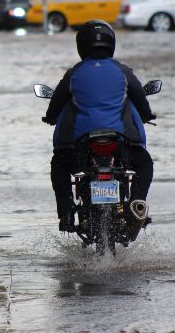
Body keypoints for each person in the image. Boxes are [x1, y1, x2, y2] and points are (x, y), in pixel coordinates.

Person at [42, 20, 156, 232]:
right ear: (111, 43)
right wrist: (147, 115)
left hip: (81, 147)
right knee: (144, 163)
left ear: (81, 45)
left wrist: (50, 117)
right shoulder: (122, 71)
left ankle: (67, 211)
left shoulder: (73, 73)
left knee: (59, 166)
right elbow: (140, 98)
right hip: (120, 145)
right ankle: (136, 203)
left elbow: (56, 104)